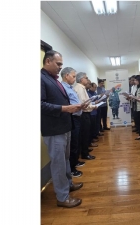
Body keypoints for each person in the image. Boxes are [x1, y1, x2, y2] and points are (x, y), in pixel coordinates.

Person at [41, 50, 83, 208]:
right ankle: (62, 197)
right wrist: (65, 109)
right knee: (58, 163)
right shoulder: (40, 78)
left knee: (65, 160)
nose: (60, 67)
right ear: (47, 61)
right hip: (54, 129)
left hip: (64, 127)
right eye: (58, 64)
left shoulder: (54, 80)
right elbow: (40, 104)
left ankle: (68, 184)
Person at [60, 67, 84, 178]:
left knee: (76, 141)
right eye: (73, 76)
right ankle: (72, 168)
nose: (75, 78)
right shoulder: (62, 88)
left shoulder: (70, 87)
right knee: (73, 143)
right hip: (72, 118)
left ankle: (75, 162)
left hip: (77, 117)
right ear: (66, 76)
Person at [74, 72, 98, 160]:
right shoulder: (80, 89)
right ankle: (85, 153)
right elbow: (83, 103)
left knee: (85, 133)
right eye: (86, 78)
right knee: (85, 134)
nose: (87, 80)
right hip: (84, 114)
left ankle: (85, 150)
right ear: (81, 79)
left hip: (85, 113)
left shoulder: (81, 88)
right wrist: (93, 106)